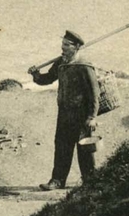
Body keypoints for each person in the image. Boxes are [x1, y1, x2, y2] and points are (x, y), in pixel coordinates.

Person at [28, 30, 100, 190]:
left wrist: (92, 116)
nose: (63, 48)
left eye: (67, 45)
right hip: (64, 113)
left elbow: (94, 94)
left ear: (77, 47)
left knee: (84, 150)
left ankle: (90, 182)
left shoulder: (84, 66)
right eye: (62, 44)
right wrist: (36, 75)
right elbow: (47, 79)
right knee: (61, 147)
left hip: (82, 115)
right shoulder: (61, 63)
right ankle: (57, 181)